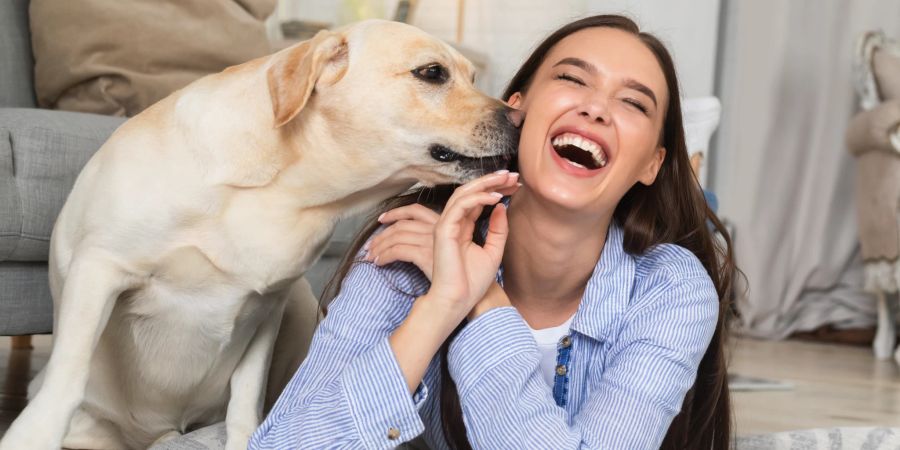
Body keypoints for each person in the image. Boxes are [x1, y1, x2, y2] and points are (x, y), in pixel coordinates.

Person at [249, 14, 735, 450]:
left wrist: (482, 300)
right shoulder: (411, 242)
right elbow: (289, 442)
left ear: (651, 164)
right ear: (516, 111)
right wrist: (439, 306)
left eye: (633, 102)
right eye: (571, 78)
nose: (596, 109)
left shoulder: (672, 289)